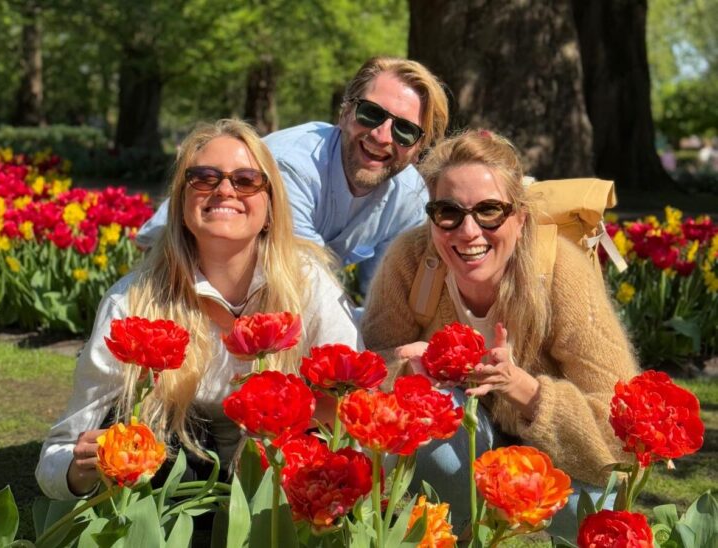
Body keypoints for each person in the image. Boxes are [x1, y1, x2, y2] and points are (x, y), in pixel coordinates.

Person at [36, 119, 361, 500]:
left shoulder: (309, 285)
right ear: (182, 201)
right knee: (144, 430)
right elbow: (56, 457)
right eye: (204, 178)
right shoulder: (134, 301)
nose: (225, 190)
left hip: (277, 485)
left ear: (271, 205)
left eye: (246, 180)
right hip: (172, 482)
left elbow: (352, 411)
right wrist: (80, 470)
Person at [361, 130, 639, 538]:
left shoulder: (561, 271)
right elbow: (368, 369)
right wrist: (403, 368)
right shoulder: (411, 260)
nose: (469, 232)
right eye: (449, 212)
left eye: (489, 211)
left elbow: (619, 429)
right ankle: (456, 534)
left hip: (549, 453)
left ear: (520, 217)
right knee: (428, 409)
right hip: (459, 441)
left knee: (595, 514)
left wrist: (523, 388)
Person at [137, 56, 449, 293]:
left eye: (405, 130)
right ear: (344, 113)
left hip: (264, 287)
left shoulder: (410, 198)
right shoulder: (291, 165)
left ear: (418, 148)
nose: (382, 136)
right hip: (179, 269)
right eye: (371, 113)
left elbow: (384, 292)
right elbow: (305, 275)